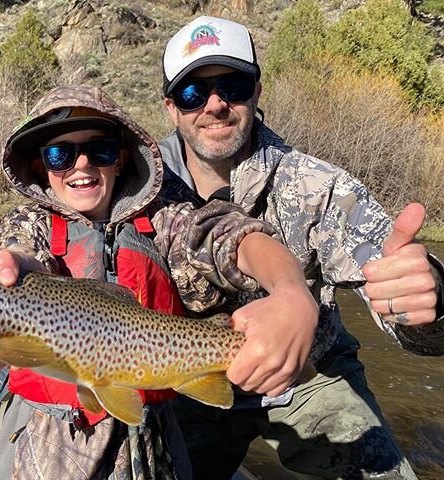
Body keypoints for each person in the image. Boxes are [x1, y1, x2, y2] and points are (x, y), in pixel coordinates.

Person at [0, 84, 319, 480]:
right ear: (40, 167)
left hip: (151, 441)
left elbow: (232, 236)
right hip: (44, 435)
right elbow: (12, 252)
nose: (80, 165)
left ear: (119, 160)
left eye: (99, 150)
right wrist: (8, 274)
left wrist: (291, 292)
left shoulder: (165, 222)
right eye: (59, 154)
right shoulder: (27, 225)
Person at [158, 15, 444, 480]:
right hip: (189, 382)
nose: (215, 104)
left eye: (232, 85)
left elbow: (402, 298)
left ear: (257, 91)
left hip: (311, 376)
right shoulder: (135, 194)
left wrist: (430, 295)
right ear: (171, 107)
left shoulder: (319, 186)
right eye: (193, 93)